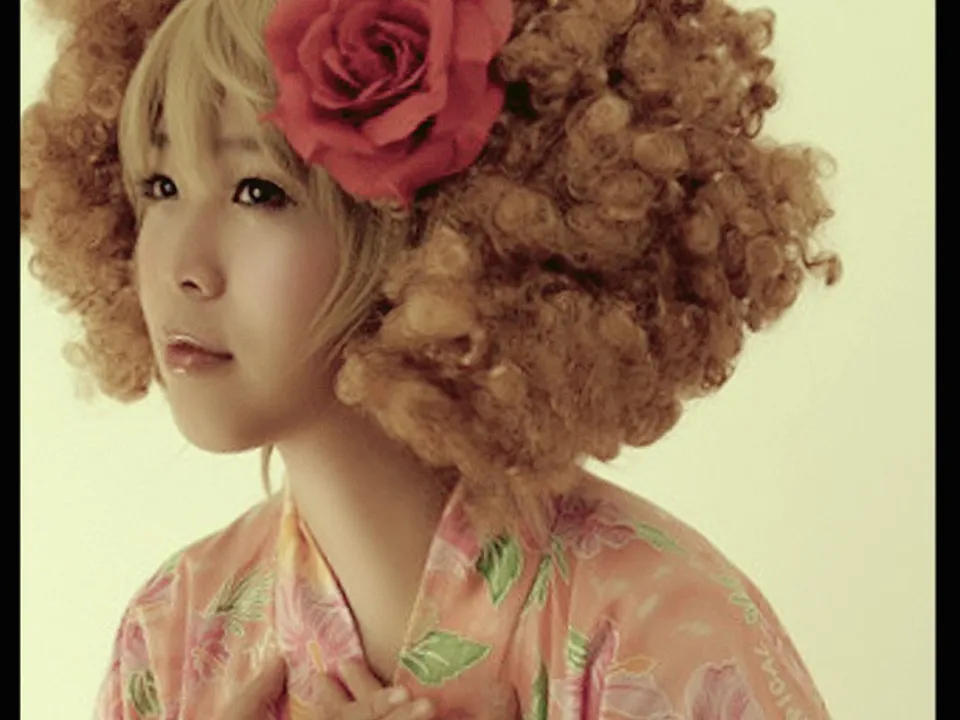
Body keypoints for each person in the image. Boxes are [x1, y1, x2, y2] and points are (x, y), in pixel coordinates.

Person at [19, 0, 842, 717]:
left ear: (429, 232)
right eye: (159, 187)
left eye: (258, 191)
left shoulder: (658, 626)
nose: (182, 266)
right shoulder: (174, 631)